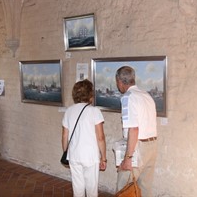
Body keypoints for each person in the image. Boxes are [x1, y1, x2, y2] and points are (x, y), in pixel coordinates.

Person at [115, 66, 157, 197]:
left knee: (124, 188)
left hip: (137, 147)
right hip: (152, 145)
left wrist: (128, 158)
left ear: (119, 81)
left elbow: (133, 129)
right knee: (145, 189)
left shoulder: (128, 97)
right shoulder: (146, 95)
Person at [62, 79, 107, 197]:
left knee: (77, 189)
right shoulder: (94, 111)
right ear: (90, 94)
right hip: (90, 156)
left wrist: (66, 152)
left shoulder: (69, 111)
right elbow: (100, 137)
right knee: (92, 190)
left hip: (74, 155)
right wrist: (104, 158)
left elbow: (64, 135)